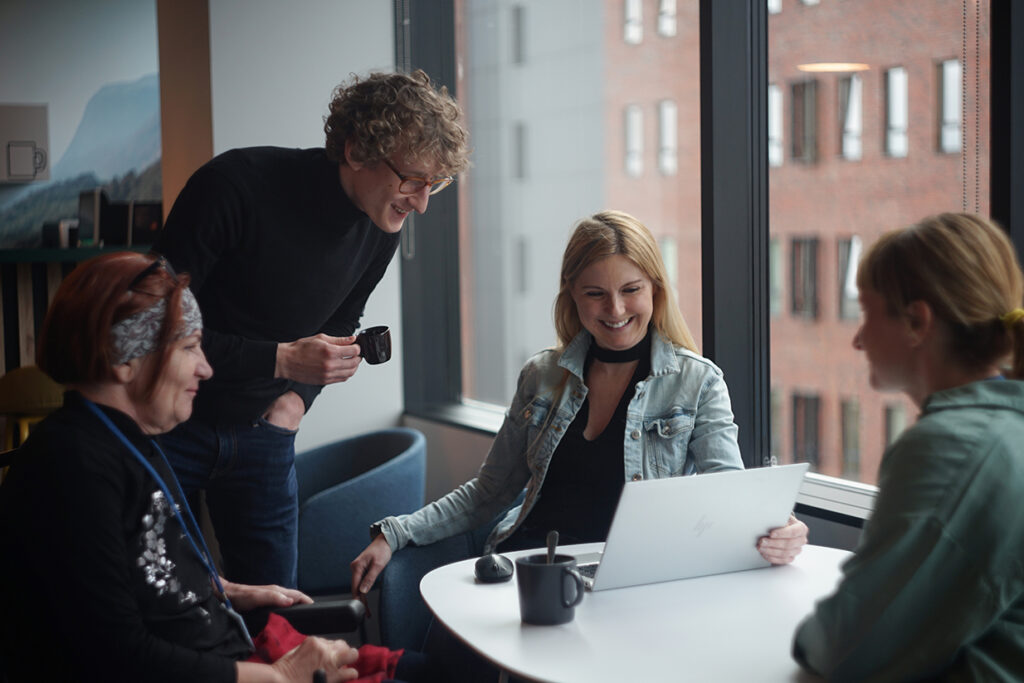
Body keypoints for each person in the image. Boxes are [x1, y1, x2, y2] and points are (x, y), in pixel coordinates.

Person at [0, 253, 430, 683]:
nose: (206, 368)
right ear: (124, 359)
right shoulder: (72, 470)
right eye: (189, 347)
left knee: (424, 669)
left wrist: (226, 591)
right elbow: (117, 656)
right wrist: (283, 675)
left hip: (237, 655)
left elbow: (146, 571)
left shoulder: (130, 443)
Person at [351, 210, 808, 601]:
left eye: (631, 289)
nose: (615, 309)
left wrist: (781, 527)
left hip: (630, 585)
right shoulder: (541, 375)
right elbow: (488, 493)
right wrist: (396, 532)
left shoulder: (698, 382)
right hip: (531, 569)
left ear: (655, 289)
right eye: (596, 293)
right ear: (572, 293)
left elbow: (725, 495)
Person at [154, 69, 471, 588]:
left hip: (264, 432)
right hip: (168, 423)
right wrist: (280, 360)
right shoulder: (234, 185)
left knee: (278, 614)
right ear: (355, 152)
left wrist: (296, 399)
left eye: (434, 184)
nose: (421, 202)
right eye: (412, 180)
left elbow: (342, 320)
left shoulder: (380, 224)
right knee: (167, 603)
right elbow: (159, 325)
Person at [792, 213, 1024, 681]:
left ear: (917, 321)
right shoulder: (999, 431)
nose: (857, 339)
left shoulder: (955, 451)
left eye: (865, 312)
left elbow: (845, 648)